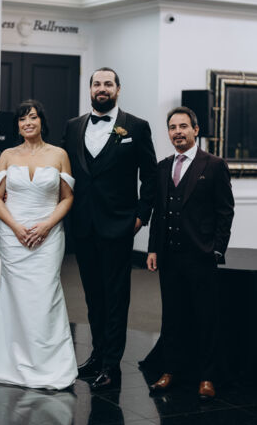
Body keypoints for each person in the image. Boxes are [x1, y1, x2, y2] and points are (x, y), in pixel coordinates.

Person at [64, 68, 157, 390]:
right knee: (93, 295)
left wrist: (141, 216)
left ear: (118, 89)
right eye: (96, 84)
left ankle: (111, 365)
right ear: (90, 88)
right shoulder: (73, 126)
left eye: (107, 84)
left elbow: (150, 177)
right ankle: (97, 355)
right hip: (83, 225)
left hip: (119, 225)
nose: (101, 88)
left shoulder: (136, 127)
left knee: (116, 297)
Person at [0, 99, 77, 390]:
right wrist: (16, 227)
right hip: (14, 235)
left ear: (41, 121)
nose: (28, 123)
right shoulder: (7, 155)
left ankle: (48, 363)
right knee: (16, 296)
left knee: (45, 295)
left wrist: (46, 225)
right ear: (17, 126)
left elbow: (67, 197)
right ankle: (11, 359)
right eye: (22, 119)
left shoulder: (59, 154)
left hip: (49, 235)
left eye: (33, 117)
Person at [147, 106, 234, 399]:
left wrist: (217, 250)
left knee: (205, 318)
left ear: (195, 130)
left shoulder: (214, 165)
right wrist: (152, 249)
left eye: (183, 126)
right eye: (173, 127)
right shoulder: (162, 167)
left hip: (201, 255)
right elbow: (159, 212)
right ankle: (170, 370)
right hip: (169, 256)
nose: (178, 132)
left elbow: (225, 212)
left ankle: (207, 376)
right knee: (172, 317)